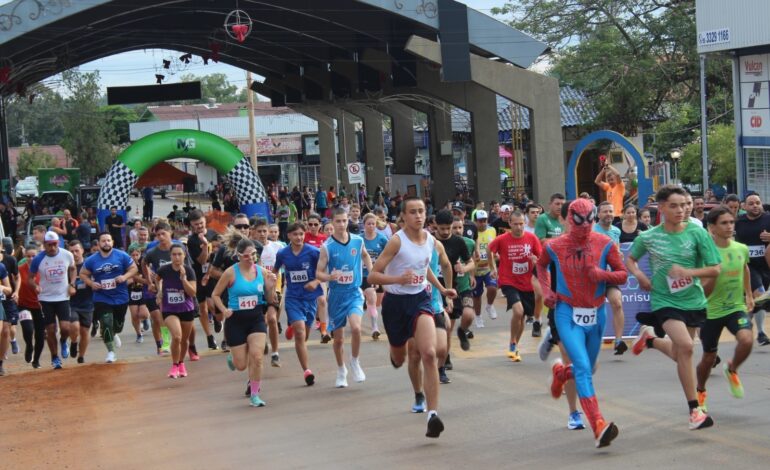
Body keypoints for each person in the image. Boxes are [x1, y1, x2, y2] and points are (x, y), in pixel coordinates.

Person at [628, 185, 721, 430]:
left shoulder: (697, 233)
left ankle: (650, 339)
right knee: (687, 347)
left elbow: (715, 269)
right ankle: (694, 411)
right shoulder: (649, 236)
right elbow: (630, 258)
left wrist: (687, 272)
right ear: (662, 208)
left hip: (693, 300)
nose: (681, 210)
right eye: (674, 206)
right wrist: (638, 275)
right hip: (664, 300)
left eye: (684, 205)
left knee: (682, 353)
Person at [538, 198, 627, 448]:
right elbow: (540, 264)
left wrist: (602, 274)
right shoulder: (554, 245)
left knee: (587, 366)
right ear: (568, 219)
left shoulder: (605, 243)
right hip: (566, 311)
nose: (585, 226)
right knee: (584, 368)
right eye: (579, 221)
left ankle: (560, 373)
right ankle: (598, 424)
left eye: (590, 220)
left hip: (597, 312)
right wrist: (546, 292)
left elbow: (622, 274)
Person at [368, 196, 458, 438]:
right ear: (404, 217)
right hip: (395, 304)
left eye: (421, 211)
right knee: (400, 357)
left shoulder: (430, 240)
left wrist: (441, 289)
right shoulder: (396, 242)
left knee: (429, 353)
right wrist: (397, 279)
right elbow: (373, 277)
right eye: (413, 212)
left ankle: (433, 414)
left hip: (420, 300)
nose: (418, 216)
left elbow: (424, 267)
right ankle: (395, 350)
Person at [696, 207, 754, 411]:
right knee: (708, 358)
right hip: (710, 311)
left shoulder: (741, 248)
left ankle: (731, 369)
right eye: (724, 223)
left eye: (732, 222)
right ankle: (700, 391)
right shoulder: (705, 255)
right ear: (712, 227)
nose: (730, 226)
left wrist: (748, 294)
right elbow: (701, 289)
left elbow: (745, 268)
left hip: (735, 307)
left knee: (747, 340)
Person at [212, 239, 276, 406]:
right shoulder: (230, 273)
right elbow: (215, 295)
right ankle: (233, 358)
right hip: (236, 320)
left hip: (256, 319)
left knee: (257, 357)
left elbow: (270, 299)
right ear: (238, 256)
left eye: (254, 254)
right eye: (247, 256)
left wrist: (270, 287)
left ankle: (255, 394)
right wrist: (223, 309)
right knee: (240, 365)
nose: (251, 258)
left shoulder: (262, 272)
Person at [315, 208, 372, 388]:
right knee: (338, 339)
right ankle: (341, 370)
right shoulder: (327, 247)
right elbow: (318, 272)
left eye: (344, 221)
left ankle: (354, 361)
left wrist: (372, 272)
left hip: (354, 292)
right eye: (338, 221)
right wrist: (329, 277)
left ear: (348, 221)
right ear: (332, 223)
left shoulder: (358, 240)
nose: (341, 224)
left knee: (356, 328)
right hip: (336, 296)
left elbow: (365, 255)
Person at [488, 210, 542, 363]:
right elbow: (489, 250)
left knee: (523, 315)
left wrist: (535, 261)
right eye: (515, 224)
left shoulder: (532, 239)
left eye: (521, 224)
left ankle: (514, 346)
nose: (519, 227)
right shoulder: (502, 239)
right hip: (508, 280)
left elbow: (541, 257)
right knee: (518, 311)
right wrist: (493, 268)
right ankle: (512, 341)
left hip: (526, 282)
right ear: (510, 224)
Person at [274, 222, 322, 385]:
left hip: (310, 299)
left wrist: (315, 282)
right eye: (295, 234)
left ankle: (292, 327)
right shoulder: (282, 254)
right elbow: (275, 272)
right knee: (300, 333)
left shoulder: (314, 252)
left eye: (301, 234)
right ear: (288, 236)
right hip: (293, 298)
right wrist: (273, 287)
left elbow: (323, 272)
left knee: (305, 335)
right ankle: (307, 371)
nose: (299, 237)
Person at [80, 232, 137, 363]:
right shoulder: (92, 260)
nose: (106, 243)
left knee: (118, 325)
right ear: (99, 243)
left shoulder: (121, 255)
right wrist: (91, 284)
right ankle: (111, 352)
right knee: (106, 323)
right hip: (102, 297)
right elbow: (82, 274)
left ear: (112, 242)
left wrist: (124, 277)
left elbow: (133, 268)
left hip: (120, 297)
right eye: (103, 241)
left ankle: (115, 332)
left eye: (108, 240)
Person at [432, 210, 474, 373]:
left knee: (465, 317)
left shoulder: (459, 242)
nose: (445, 232)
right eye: (442, 229)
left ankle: (462, 332)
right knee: (446, 327)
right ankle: (445, 357)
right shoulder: (431, 241)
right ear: (435, 226)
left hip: (455, 288)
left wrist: (464, 267)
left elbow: (471, 263)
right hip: (436, 289)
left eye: (448, 228)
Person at [28, 231, 76, 369]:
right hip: (46, 298)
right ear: (44, 245)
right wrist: (35, 286)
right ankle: (55, 357)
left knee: (66, 328)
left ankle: (63, 341)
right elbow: (30, 278)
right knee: (50, 329)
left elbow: (73, 269)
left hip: (62, 296)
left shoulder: (67, 254)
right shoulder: (38, 259)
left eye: (55, 244)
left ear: (58, 243)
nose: (52, 248)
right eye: (49, 245)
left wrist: (72, 284)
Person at [155, 244, 197, 378]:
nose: (177, 257)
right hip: (169, 309)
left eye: (180, 254)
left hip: (186, 309)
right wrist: (160, 291)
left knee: (184, 340)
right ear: (170, 256)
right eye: (174, 254)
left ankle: (181, 363)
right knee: (177, 336)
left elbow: (192, 292)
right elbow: (157, 279)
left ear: (184, 256)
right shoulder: (164, 269)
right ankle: (174, 366)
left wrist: (184, 279)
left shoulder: (189, 271)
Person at [734, 193, 770, 345]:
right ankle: (761, 333)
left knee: (759, 301)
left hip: (766, 265)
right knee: (760, 295)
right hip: (748, 266)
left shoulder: (768, 218)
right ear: (744, 207)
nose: (755, 205)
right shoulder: (738, 222)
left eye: (757, 202)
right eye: (751, 203)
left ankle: (745, 324)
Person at [593, 202, 627, 354]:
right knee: (592, 309)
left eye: (611, 211)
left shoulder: (616, 231)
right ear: (598, 214)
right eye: (605, 211)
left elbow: (617, 252)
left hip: (609, 276)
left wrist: (618, 256)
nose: (608, 214)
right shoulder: (592, 231)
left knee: (617, 303)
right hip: (593, 276)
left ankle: (618, 340)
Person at [186, 210, 219, 351]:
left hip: (211, 276)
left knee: (213, 305)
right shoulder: (192, 240)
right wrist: (205, 246)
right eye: (195, 224)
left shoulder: (213, 234)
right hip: (198, 276)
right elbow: (201, 260)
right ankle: (209, 337)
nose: (199, 226)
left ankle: (218, 319)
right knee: (202, 309)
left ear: (205, 221)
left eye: (201, 223)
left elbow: (219, 255)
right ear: (191, 225)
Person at [252, 218, 283, 367]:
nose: (263, 234)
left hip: (274, 286)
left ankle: (275, 353)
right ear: (254, 232)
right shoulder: (250, 249)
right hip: (256, 288)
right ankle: (262, 339)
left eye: (265, 231)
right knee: (261, 320)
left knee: (272, 318)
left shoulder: (277, 246)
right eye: (259, 231)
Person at [303, 213, 330, 342]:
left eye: (316, 224)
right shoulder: (302, 237)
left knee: (322, 301)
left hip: (320, 274)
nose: (313, 227)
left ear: (320, 225)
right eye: (310, 224)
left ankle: (324, 331)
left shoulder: (325, 239)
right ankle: (302, 326)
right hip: (304, 275)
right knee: (306, 305)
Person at [362, 213, 388, 339]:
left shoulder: (382, 239)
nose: (371, 226)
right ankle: (373, 327)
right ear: (364, 225)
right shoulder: (359, 239)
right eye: (368, 224)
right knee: (367, 299)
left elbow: (390, 254)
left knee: (374, 302)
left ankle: (374, 327)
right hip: (361, 275)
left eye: (373, 224)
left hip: (376, 274)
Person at [67, 240, 94, 363]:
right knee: (74, 326)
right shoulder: (67, 267)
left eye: (77, 250)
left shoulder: (90, 265)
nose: (74, 254)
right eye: (71, 251)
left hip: (88, 303)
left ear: (82, 251)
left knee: (84, 331)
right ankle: (73, 342)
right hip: (71, 303)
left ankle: (81, 356)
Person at [472, 209, 499, 325]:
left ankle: (489, 305)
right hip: (475, 270)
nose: (483, 223)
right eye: (480, 221)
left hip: (488, 267)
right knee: (477, 296)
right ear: (475, 221)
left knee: (493, 288)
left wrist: (497, 254)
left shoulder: (492, 230)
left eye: (485, 221)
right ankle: (478, 317)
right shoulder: (471, 233)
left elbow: (495, 245)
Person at [126, 246, 150, 343]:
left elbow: (148, 279)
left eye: (137, 255)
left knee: (143, 314)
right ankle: (139, 334)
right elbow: (125, 281)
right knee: (135, 315)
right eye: (133, 255)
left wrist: (136, 278)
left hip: (143, 291)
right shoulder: (126, 265)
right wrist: (130, 279)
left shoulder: (143, 264)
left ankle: (145, 320)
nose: (135, 257)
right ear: (129, 255)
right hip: (131, 292)